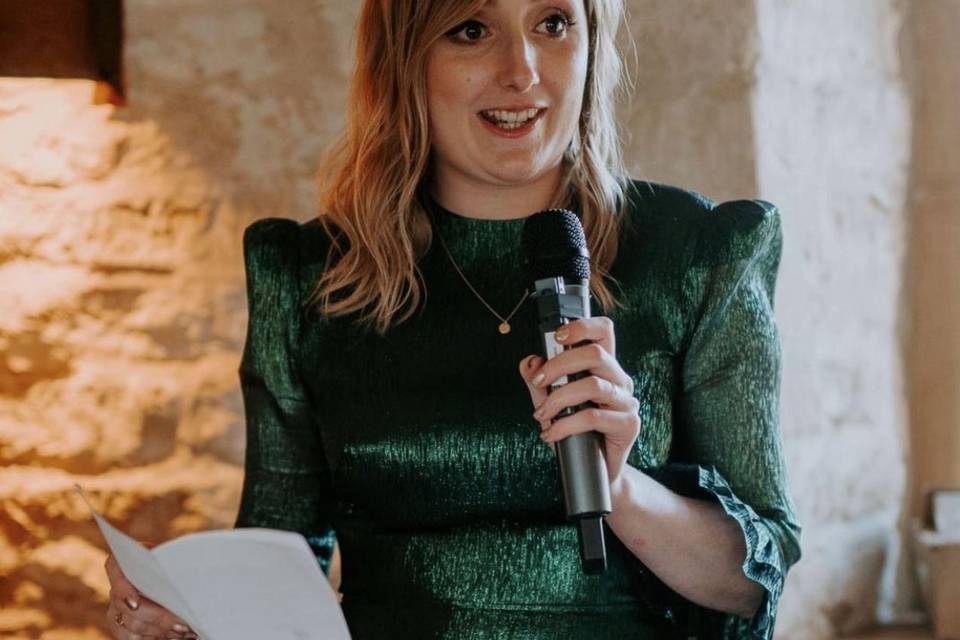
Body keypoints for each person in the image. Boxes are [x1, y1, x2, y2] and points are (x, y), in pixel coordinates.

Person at [103, 0, 802, 638]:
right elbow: (278, 566)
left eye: (553, 23)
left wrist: (619, 485)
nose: (521, 70)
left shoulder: (697, 254)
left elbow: (752, 584)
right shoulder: (309, 277)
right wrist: (191, 619)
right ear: (404, 59)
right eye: (471, 29)